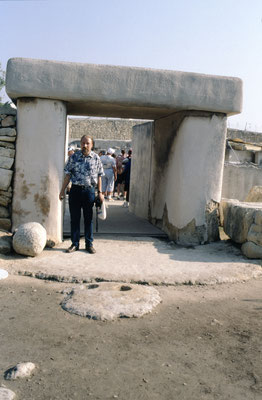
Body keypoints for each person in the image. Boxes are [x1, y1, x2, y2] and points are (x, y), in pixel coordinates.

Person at [59, 135, 104, 254]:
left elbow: (100, 176)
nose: (84, 145)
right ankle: (75, 244)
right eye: (83, 143)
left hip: (89, 191)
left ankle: (89, 244)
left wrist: (100, 193)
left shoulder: (96, 158)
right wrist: (62, 190)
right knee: (75, 219)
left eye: (87, 143)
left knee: (88, 219)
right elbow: (68, 175)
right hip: (75, 191)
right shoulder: (73, 157)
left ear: (92, 144)